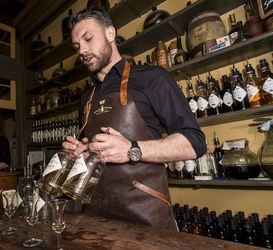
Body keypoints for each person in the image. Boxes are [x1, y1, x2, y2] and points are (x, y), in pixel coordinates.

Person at [62, 7, 206, 231]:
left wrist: (131, 149)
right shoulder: (87, 97)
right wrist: (80, 151)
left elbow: (195, 142)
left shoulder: (152, 78)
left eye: (88, 38)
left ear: (110, 33)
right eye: (77, 46)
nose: (83, 50)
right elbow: (93, 153)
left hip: (145, 217)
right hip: (94, 216)